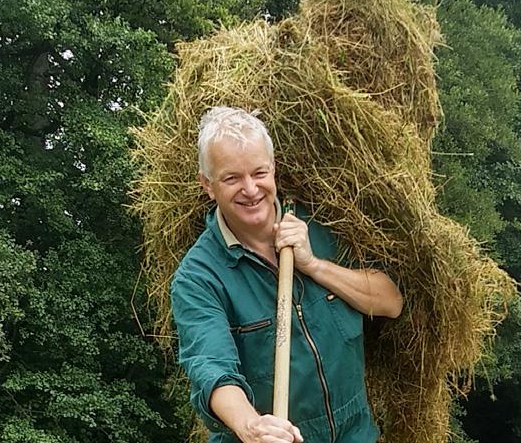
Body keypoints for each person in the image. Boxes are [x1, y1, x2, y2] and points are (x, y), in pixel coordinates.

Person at [170, 106, 403, 443]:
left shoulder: (325, 222)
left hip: (355, 434)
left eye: (259, 173)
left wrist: (314, 265)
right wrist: (252, 427)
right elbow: (212, 370)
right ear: (207, 184)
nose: (250, 189)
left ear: (273, 168)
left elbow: (390, 302)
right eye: (232, 178)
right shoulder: (199, 276)